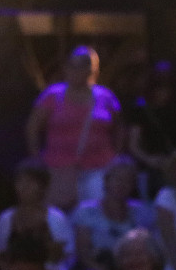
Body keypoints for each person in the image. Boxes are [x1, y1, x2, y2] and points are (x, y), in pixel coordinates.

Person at [26, 46, 125, 211]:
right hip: (58, 169)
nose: (78, 71)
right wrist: (37, 159)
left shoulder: (106, 97)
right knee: (59, 215)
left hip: (98, 169)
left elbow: (120, 128)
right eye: (74, 65)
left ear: (93, 69)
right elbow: (32, 128)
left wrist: (115, 158)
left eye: (84, 66)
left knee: (94, 214)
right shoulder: (52, 95)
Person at [71, 156, 156, 270]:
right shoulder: (86, 211)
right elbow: (84, 255)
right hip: (96, 269)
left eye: (127, 180)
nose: (121, 184)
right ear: (106, 181)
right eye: (117, 179)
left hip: (132, 267)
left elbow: (148, 250)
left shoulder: (142, 213)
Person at [0, 159, 74, 270]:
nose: (24, 187)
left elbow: (66, 254)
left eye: (30, 182)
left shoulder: (56, 218)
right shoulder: (6, 218)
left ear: (42, 187)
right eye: (20, 182)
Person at [126, 61, 176, 200]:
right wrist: (150, 160)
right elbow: (133, 145)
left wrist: (174, 159)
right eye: (159, 87)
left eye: (167, 87)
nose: (162, 93)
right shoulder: (140, 110)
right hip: (149, 168)